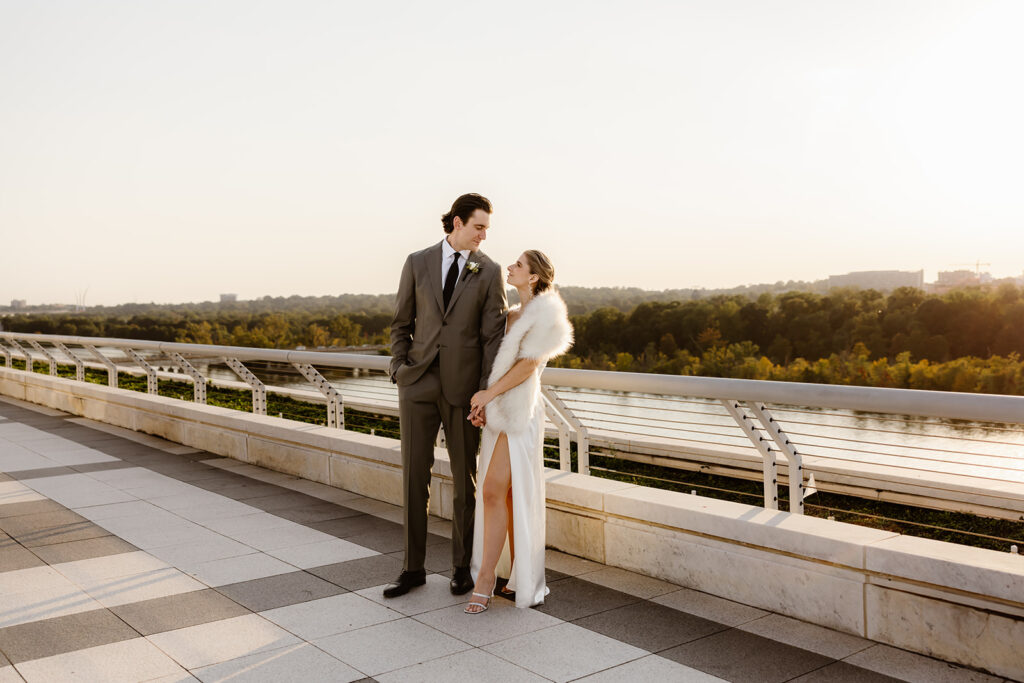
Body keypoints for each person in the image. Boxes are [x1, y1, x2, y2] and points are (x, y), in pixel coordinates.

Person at [383, 193, 508, 599]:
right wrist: (399, 369)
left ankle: (460, 568)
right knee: (413, 478)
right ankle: (412, 569)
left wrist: (484, 392)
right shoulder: (416, 262)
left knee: (464, 482)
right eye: (479, 227)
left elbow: (493, 337)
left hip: (463, 390)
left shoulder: (488, 271)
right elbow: (401, 321)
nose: (484, 235)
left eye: (487, 228)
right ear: (457, 222)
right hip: (417, 383)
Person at [464, 250, 573, 613]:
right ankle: (516, 578)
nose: (509, 268)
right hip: (498, 413)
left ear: (534, 277)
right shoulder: (509, 316)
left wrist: (488, 395)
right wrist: (483, 405)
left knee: (494, 490)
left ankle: (485, 580)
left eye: (518, 265)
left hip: (521, 413)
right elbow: (494, 367)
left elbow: (528, 366)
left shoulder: (548, 314)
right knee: (506, 496)